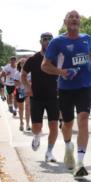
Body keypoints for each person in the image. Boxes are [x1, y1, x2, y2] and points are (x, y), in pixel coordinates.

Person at [42, 10, 91, 179]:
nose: (74, 19)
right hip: (66, 88)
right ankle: (68, 147)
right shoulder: (57, 42)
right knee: (67, 125)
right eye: (71, 17)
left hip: (84, 86)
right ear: (65, 21)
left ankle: (80, 163)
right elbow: (45, 65)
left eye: (77, 17)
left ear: (79, 22)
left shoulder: (86, 38)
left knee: (83, 120)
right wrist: (61, 71)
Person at [23, 32, 61, 161]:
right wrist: (28, 87)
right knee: (36, 127)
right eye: (45, 39)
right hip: (37, 97)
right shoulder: (33, 59)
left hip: (53, 96)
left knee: (54, 125)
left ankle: (49, 152)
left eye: (50, 39)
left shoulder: (57, 58)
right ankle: (37, 136)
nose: (48, 41)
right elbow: (23, 75)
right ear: (40, 42)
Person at [14, 59, 28, 130]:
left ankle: (28, 124)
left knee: (28, 107)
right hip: (21, 91)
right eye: (22, 63)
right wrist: (22, 82)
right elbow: (15, 83)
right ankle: (21, 122)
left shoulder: (30, 72)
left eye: (25, 63)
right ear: (19, 64)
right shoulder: (17, 73)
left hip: (28, 91)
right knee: (21, 108)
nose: (23, 64)